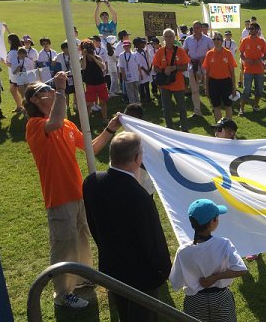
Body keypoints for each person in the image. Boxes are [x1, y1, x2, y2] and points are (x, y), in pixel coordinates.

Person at [24, 73, 120, 309]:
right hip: (58, 195)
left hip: (78, 192)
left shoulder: (67, 124)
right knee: (64, 243)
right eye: (44, 89)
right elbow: (54, 121)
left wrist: (110, 128)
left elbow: (92, 148)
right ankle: (63, 294)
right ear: (35, 100)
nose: (50, 91)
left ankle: (82, 277)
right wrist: (59, 89)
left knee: (81, 238)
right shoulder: (35, 125)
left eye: (50, 88)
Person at [83, 132, 172, 321]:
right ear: (137, 158)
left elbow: (93, 223)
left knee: (124, 314)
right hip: (142, 276)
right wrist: (165, 270)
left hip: (112, 268)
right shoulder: (139, 197)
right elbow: (153, 240)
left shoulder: (91, 182)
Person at [170, 199, 248, 322]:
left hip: (195, 302)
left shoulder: (183, 251)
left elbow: (176, 283)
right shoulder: (224, 244)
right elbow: (241, 270)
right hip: (221, 299)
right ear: (212, 222)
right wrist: (215, 277)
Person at [153, 28, 191, 131]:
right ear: (163, 38)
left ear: (174, 38)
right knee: (166, 108)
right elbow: (155, 67)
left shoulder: (180, 50)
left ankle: (184, 127)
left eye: (171, 36)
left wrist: (175, 68)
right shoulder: (160, 51)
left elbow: (185, 67)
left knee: (182, 107)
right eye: (167, 36)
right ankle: (169, 127)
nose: (169, 38)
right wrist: (163, 70)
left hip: (178, 84)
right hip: (165, 85)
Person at [203, 31, 237, 122]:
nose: (216, 41)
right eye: (214, 39)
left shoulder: (228, 53)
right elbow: (206, 73)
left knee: (228, 105)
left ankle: (229, 127)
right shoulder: (209, 54)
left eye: (218, 39)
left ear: (222, 41)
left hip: (226, 82)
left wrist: (234, 87)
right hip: (213, 82)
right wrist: (206, 87)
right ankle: (219, 127)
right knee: (216, 106)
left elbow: (232, 72)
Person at [183, 20, 214, 117]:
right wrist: (190, 60)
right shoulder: (188, 39)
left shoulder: (208, 40)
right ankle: (197, 111)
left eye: (197, 27)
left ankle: (214, 107)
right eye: (194, 28)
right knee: (194, 90)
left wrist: (204, 59)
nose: (195, 29)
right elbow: (184, 52)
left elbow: (212, 52)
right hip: (193, 67)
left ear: (201, 28)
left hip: (205, 67)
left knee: (208, 88)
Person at [238, 22, 266, 116]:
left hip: (259, 70)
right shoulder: (245, 40)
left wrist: (261, 60)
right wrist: (246, 60)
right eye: (249, 29)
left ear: (257, 30)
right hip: (248, 70)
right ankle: (241, 109)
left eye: (252, 29)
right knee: (246, 91)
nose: (250, 30)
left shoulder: (261, 41)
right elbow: (241, 54)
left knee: (259, 90)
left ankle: (255, 105)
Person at [81, 39, 109, 123]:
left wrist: (94, 57)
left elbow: (103, 66)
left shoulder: (98, 57)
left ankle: (104, 118)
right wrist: (85, 56)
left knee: (103, 103)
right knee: (89, 104)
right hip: (90, 84)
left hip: (100, 83)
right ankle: (86, 121)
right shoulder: (83, 59)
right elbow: (84, 67)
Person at [4, 34, 24, 113]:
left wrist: (2, 60)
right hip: (14, 75)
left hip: (15, 75)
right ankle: (19, 106)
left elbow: (11, 64)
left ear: (11, 41)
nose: (7, 40)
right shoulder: (17, 49)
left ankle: (23, 107)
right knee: (13, 90)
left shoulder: (13, 52)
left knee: (19, 91)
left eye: (8, 39)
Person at [118, 40, 140, 105]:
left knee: (136, 88)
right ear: (123, 47)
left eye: (127, 46)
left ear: (130, 46)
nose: (126, 47)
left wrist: (140, 73)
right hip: (127, 75)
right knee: (129, 89)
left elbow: (138, 65)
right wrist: (123, 75)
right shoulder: (121, 55)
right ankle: (132, 102)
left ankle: (137, 101)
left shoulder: (134, 54)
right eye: (125, 46)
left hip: (135, 74)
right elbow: (121, 66)